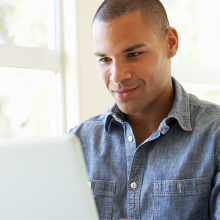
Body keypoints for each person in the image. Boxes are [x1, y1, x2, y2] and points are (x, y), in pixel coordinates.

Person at [68, 0, 220, 219]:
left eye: (133, 54)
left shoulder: (215, 136)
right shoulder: (77, 143)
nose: (117, 76)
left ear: (170, 43)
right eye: (104, 59)